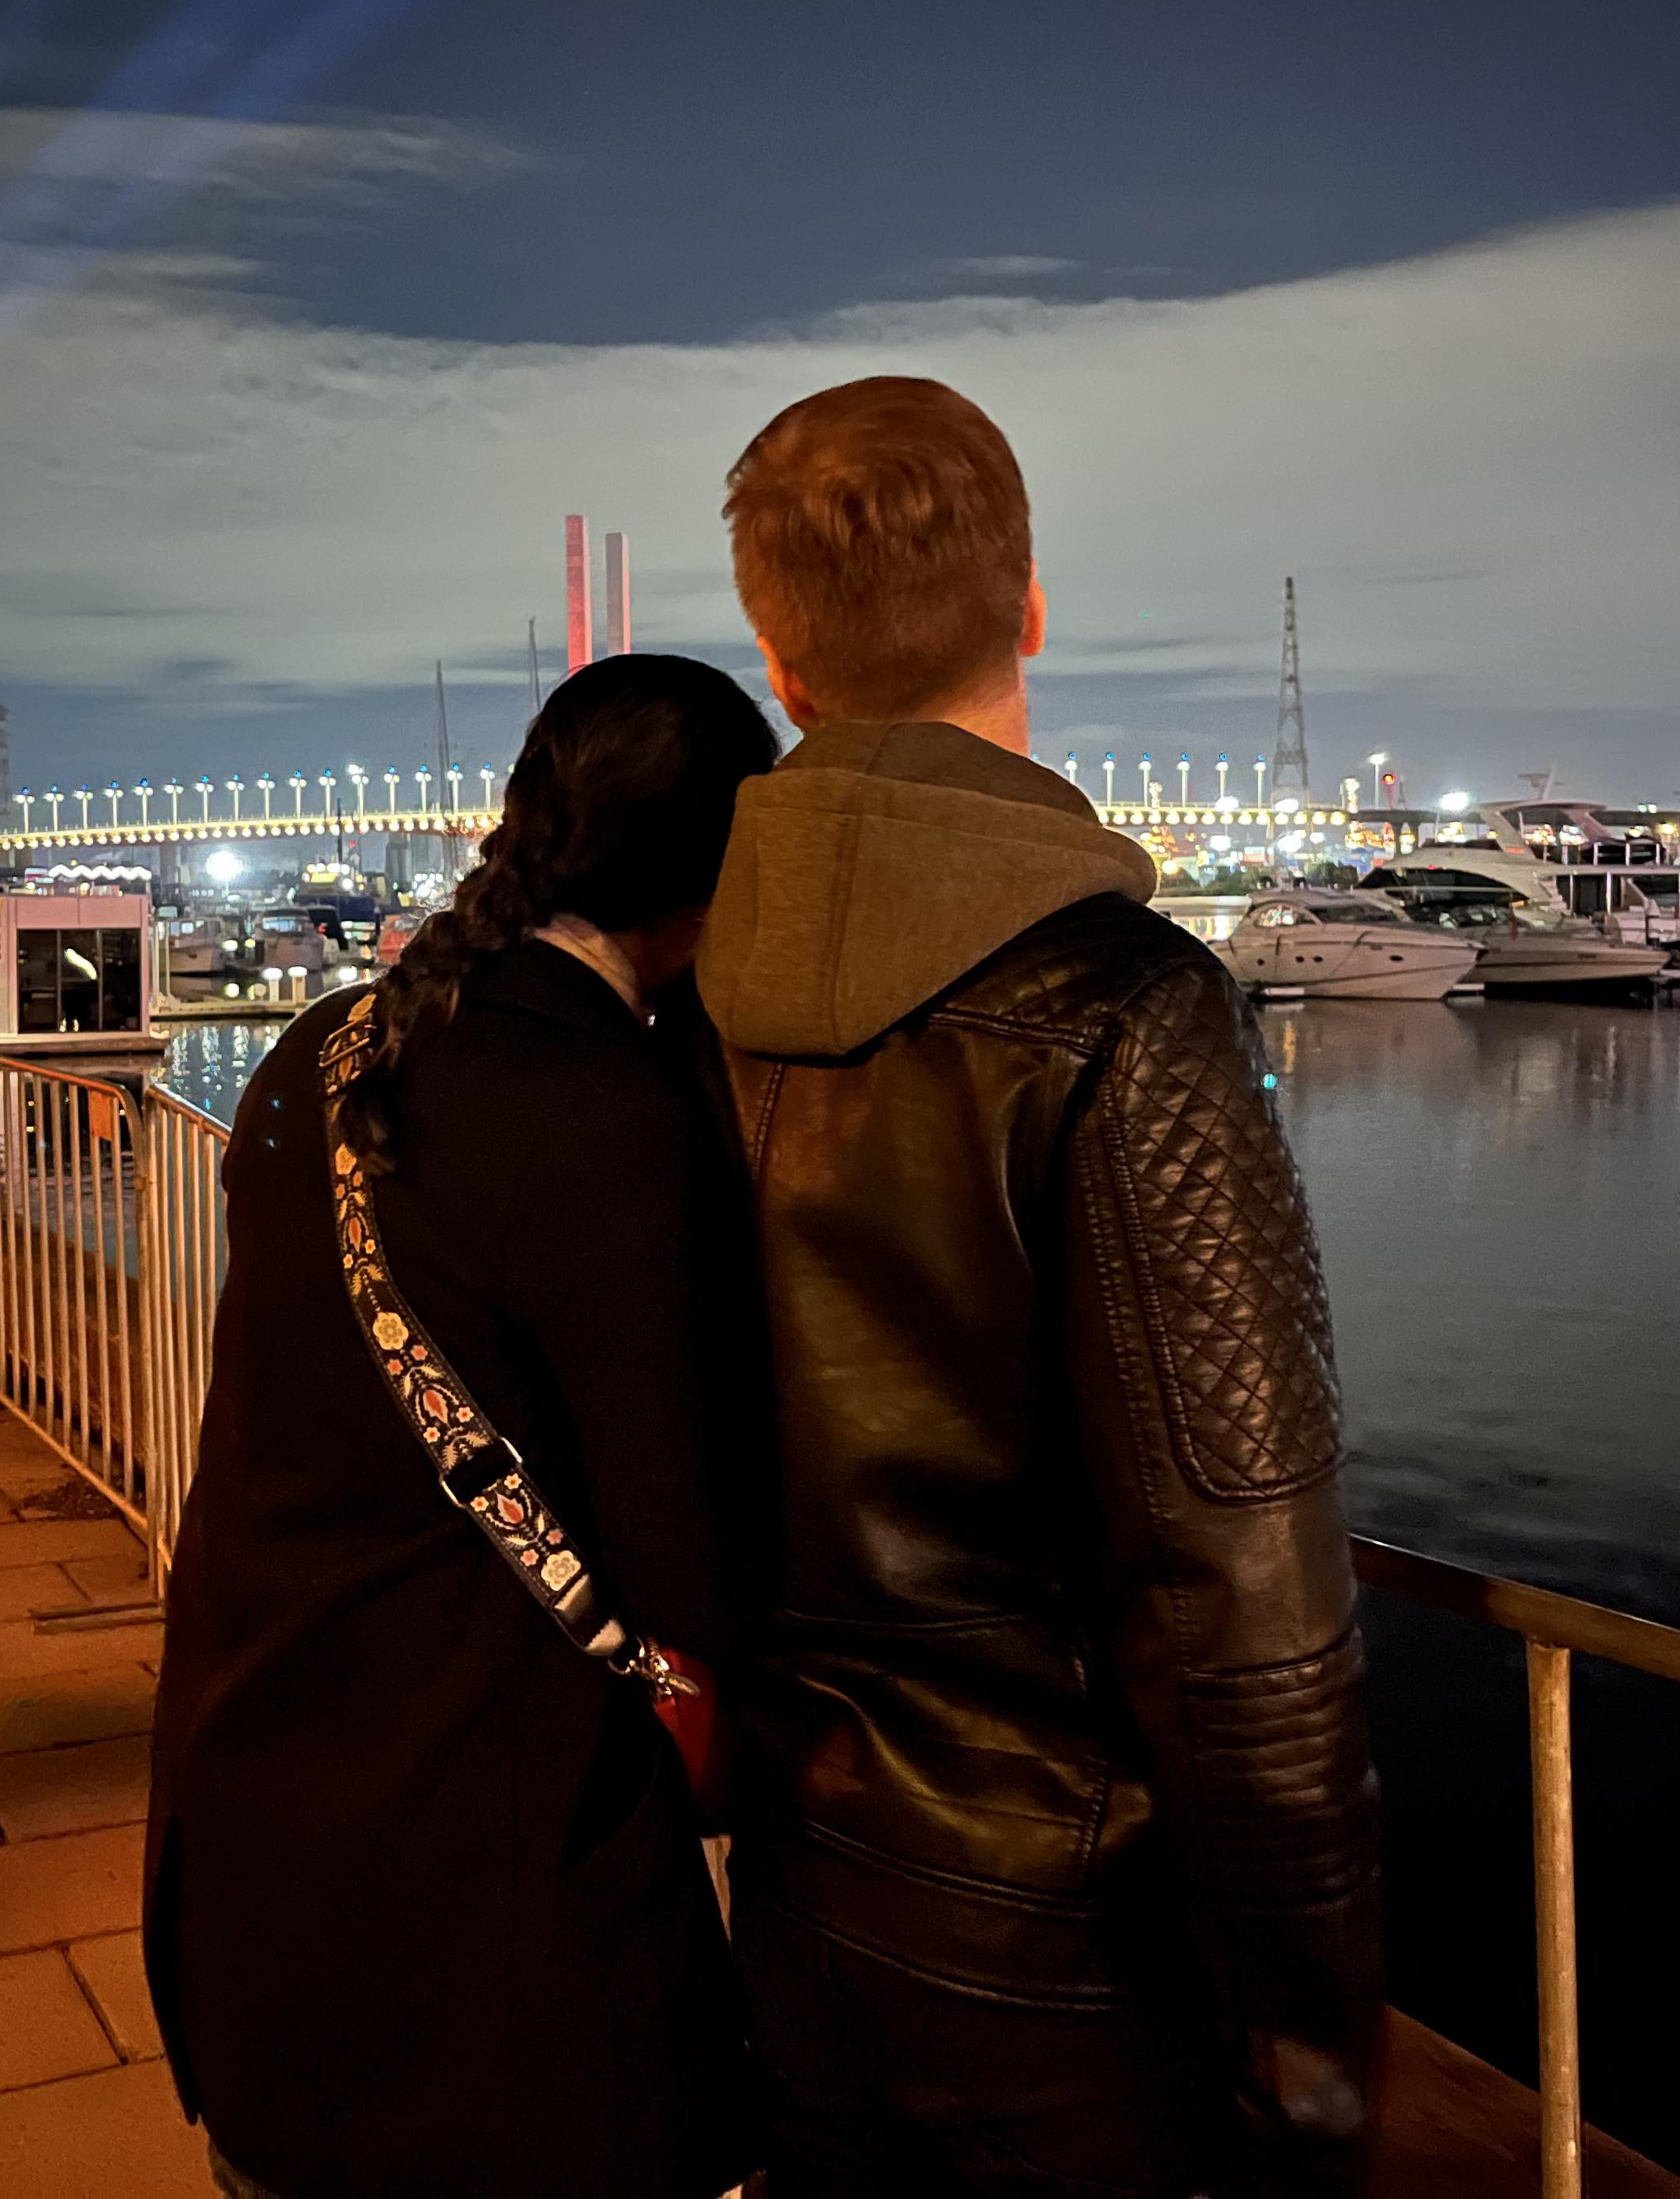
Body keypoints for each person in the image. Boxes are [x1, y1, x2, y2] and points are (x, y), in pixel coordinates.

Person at [696, 377, 1384, 2195]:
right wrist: (1309, 2057)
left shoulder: (675, 998)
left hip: (794, 1892)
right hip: (1078, 1960)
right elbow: (1245, 1594)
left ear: (778, 658)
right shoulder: (1127, 1014)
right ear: (1032, 614)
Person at [146, 654, 776, 2199]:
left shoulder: (326, 1051)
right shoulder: (603, 1115)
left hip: (252, 1820)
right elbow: (686, 1557)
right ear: (721, 869)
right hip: (482, 1931)